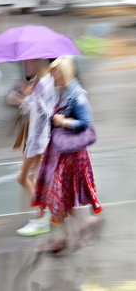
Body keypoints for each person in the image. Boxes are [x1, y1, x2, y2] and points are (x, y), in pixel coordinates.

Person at [32, 56, 103, 254]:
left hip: (71, 156)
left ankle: (66, 238)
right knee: (64, 196)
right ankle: (76, 231)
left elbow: (85, 123)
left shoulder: (77, 95)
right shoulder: (63, 92)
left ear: (64, 73)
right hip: (61, 153)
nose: (52, 76)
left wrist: (63, 122)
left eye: (55, 73)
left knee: (60, 196)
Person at [13, 59, 55, 236]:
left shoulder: (45, 82)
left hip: (41, 139)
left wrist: (32, 95)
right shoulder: (37, 81)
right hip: (34, 138)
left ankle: (43, 218)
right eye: (24, 64)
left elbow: (48, 112)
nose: (25, 66)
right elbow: (32, 108)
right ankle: (43, 215)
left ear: (38, 62)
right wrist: (21, 99)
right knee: (28, 178)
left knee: (29, 179)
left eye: (29, 63)